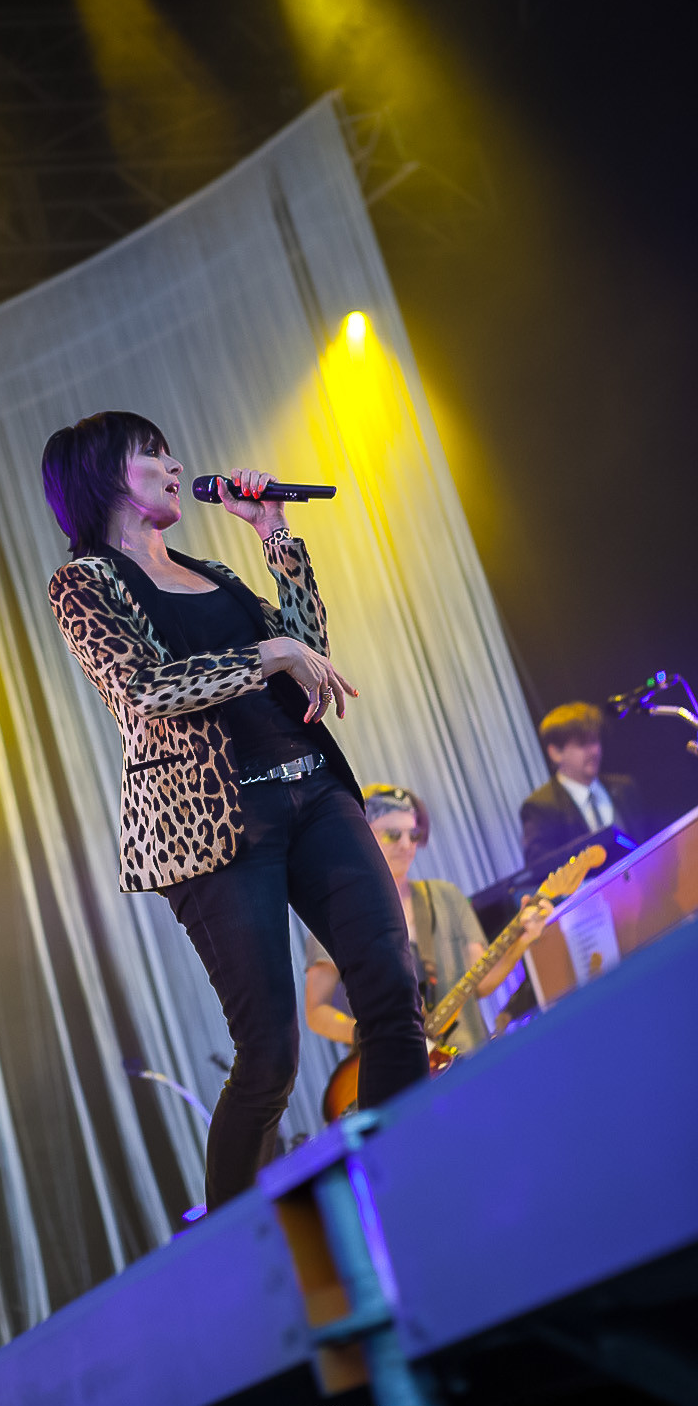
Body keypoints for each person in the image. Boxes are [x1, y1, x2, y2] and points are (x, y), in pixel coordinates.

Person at [43, 411, 429, 1209]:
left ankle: (403, 1188)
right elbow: (147, 690)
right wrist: (271, 653)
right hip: (214, 827)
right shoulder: (83, 583)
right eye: (153, 454)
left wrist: (273, 533)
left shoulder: (213, 572)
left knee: (393, 989)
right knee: (270, 1055)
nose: (174, 465)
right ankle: (233, 1244)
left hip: (313, 790)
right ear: (104, 476)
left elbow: (308, 652)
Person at [305, 785, 530, 1059]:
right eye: (392, 834)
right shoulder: (337, 916)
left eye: (413, 835)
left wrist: (521, 941)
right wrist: (368, 1035)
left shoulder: (446, 896)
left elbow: (481, 983)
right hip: (394, 1071)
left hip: (472, 1060)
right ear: (360, 838)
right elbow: (317, 1011)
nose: (406, 845)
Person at [520, 701, 647, 869]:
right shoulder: (540, 807)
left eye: (594, 741)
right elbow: (542, 869)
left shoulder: (624, 787)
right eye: (582, 744)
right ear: (556, 753)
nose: (594, 751)